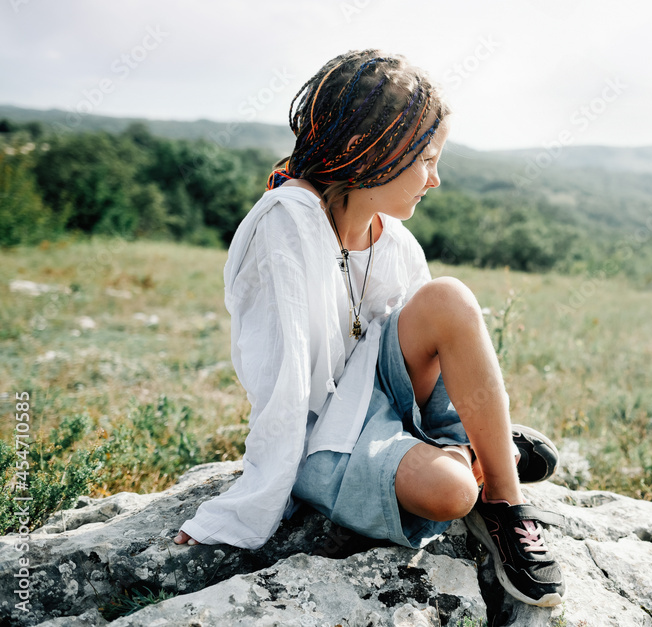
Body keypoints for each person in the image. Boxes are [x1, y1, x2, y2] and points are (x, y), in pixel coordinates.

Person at [173, 49, 565, 607]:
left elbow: (426, 357)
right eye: (427, 159)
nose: (436, 180)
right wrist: (249, 508)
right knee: (451, 492)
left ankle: (504, 497)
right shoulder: (286, 224)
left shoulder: (395, 241)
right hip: (325, 429)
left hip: (378, 393)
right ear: (376, 152)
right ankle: (477, 450)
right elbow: (284, 386)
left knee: (447, 297)